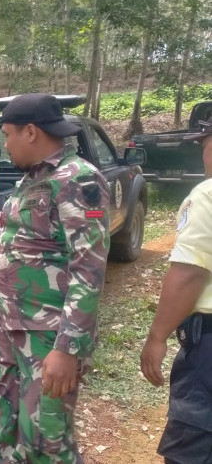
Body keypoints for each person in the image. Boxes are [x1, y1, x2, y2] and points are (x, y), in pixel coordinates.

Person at [0, 93, 110, 463]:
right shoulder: (31, 180)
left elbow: (88, 267)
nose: (5, 144)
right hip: (14, 329)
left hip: (49, 337)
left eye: (7, 135)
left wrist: (67, 348)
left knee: (47, 442)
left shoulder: (78, 180)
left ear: (30, 132)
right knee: (8, 429)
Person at [140, 119, 212, 464]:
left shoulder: (207, 195)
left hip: (208, 353)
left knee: (192, 450)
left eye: (204, 143)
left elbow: (190, 272)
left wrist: (157, 337)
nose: (202, 152)